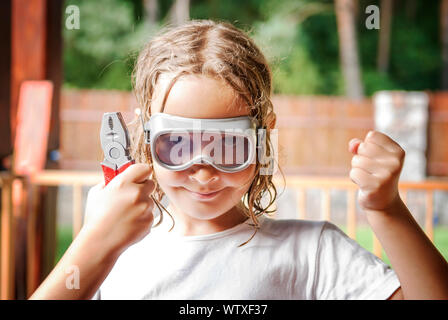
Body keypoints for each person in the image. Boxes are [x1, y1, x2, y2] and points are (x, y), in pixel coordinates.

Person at [30, 19, 448, 300]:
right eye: (176, 145)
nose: (203, 170)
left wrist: (387, 210)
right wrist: (96, 244)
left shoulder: (313, 253)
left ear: (263, 137)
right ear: (144, 136)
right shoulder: (108, 242)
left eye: (227, 146)